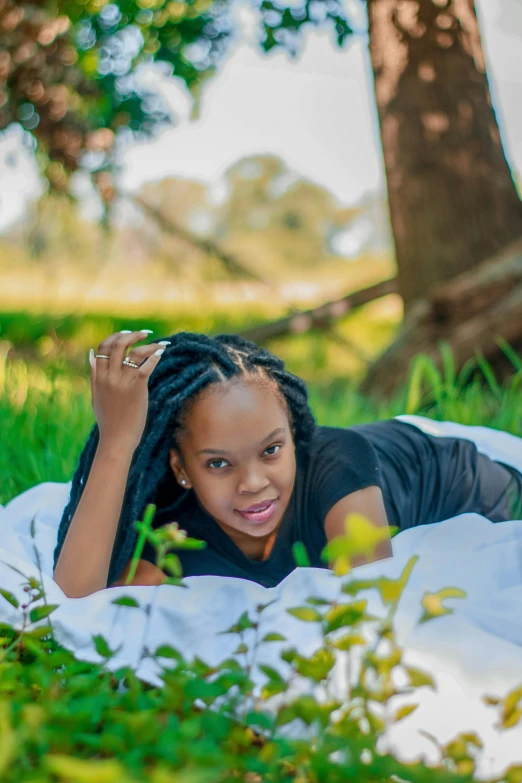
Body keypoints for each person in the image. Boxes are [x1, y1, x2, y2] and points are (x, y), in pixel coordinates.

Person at [52, 329, 522, 598]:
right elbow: (76, 601)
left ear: (294, 436)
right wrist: (117, 442)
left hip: (459, 477)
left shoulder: (337, 467)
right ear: (181, 468)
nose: (254, 483)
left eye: (272, 450)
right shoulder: (173, 524)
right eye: (218, 464)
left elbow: (372, 609)